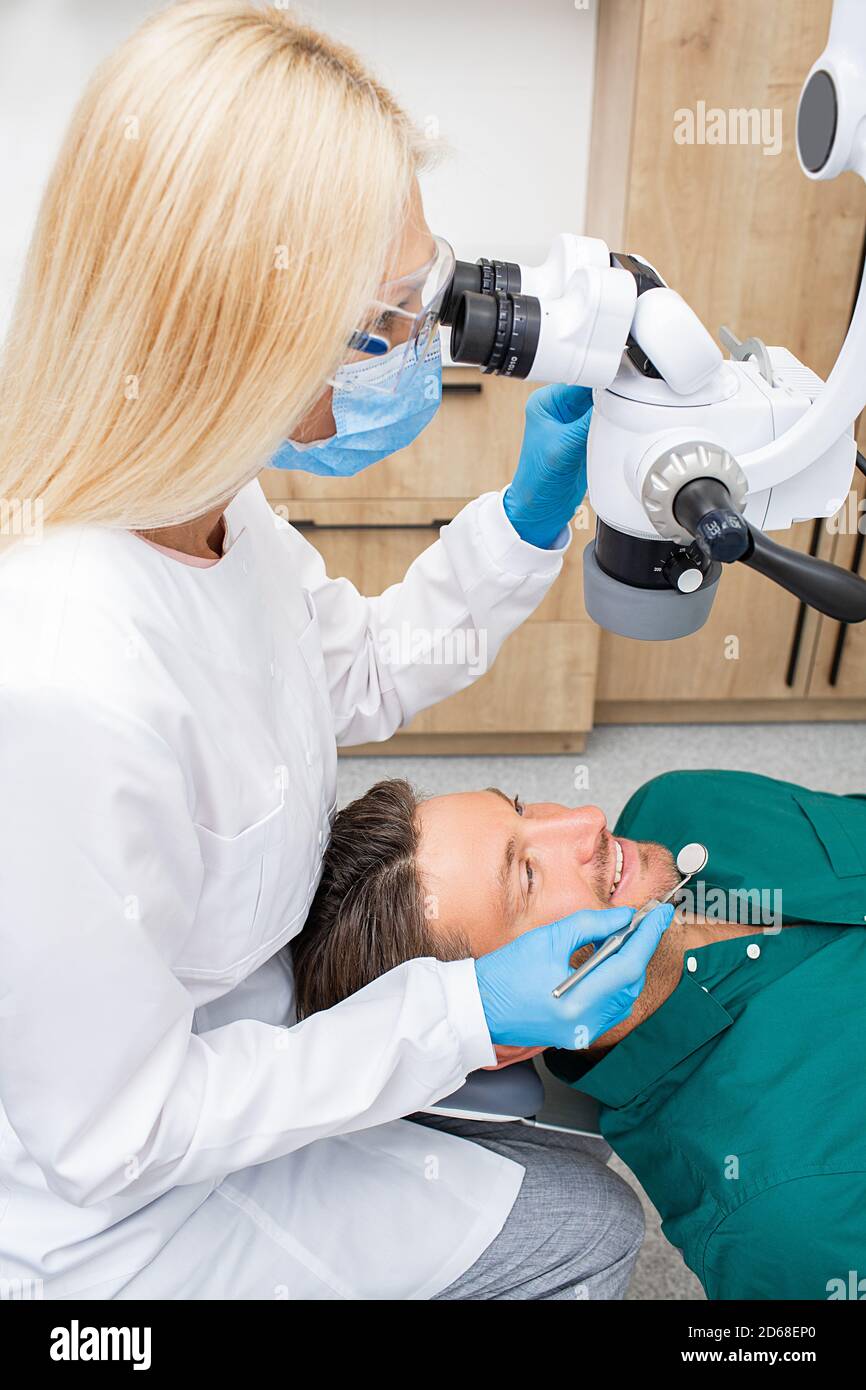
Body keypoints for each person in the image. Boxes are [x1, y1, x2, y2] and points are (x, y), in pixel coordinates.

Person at [0, 3, 671, 1301]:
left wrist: (525, 520)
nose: (420, 344)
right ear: (241, 333)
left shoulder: (206, 502)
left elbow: (348, 671)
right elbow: (112, 1135)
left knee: (530, 1122)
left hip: (244, 1032)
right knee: (581, 1225)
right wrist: (455, 1018)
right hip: (123, 1214)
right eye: (389, 320)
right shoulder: (60, 685)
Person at [293, 767, 866, 1300]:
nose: (588, 819)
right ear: (502, 1028)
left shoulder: (682, 805)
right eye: (528, 875)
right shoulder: (787, 1212)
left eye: (519, 808)